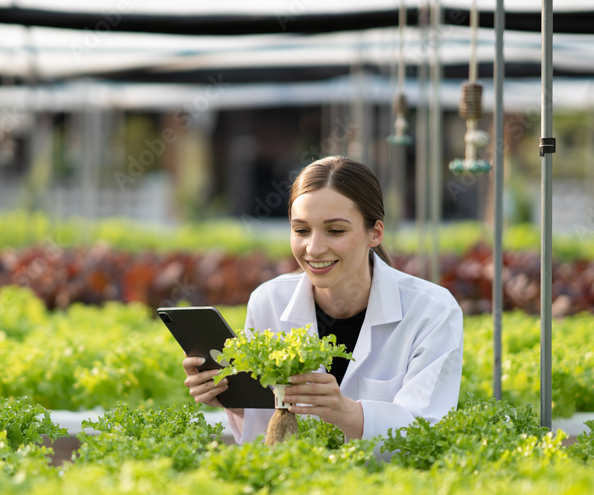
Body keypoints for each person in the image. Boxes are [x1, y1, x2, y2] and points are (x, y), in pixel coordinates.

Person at [183, 155, 463, 444]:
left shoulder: (432, 311)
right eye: (301, 230)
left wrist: (346, 412)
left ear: (375, 233)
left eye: (336, 231)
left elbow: (427, 432)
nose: (314, 248)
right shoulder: (268, 301)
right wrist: (233, 400)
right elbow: (268, 436)